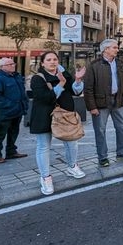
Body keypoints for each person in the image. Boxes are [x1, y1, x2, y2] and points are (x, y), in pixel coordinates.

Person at [29, 52, 87, 195]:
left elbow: (75, 92)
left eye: (55, 59)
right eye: (48, 60)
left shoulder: (64, 74)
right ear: (42, 63)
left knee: (72, 142)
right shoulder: (37, 78)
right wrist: (60, 84)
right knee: (43, 146)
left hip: (65, 115)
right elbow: (45, 98)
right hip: (44, 116)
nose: (52, 62)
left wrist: (77, 80)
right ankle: (45, 177)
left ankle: (72, 166)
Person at [84, 39, 123, 167]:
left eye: (117, 47)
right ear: (106, 50)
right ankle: (103, 157)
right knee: (100, 130)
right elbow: (88, 88)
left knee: (122, 127)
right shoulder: (94, 65)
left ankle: (122, 151)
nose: (117, 50)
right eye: (114, 47)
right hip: (100, 103)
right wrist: (92, 107)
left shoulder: (120, 64)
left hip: (118, 100)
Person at [0, 57, 29, 164]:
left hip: (18, 111)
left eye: (13, 63)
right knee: (0, 134)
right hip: (5, 112)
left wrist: (25, 103)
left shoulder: (16, 76)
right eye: (9, 64)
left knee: (14, 132)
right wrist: (9, 104)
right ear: (2, 67)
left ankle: (11, 151)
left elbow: (22, 91)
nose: (13, 65)